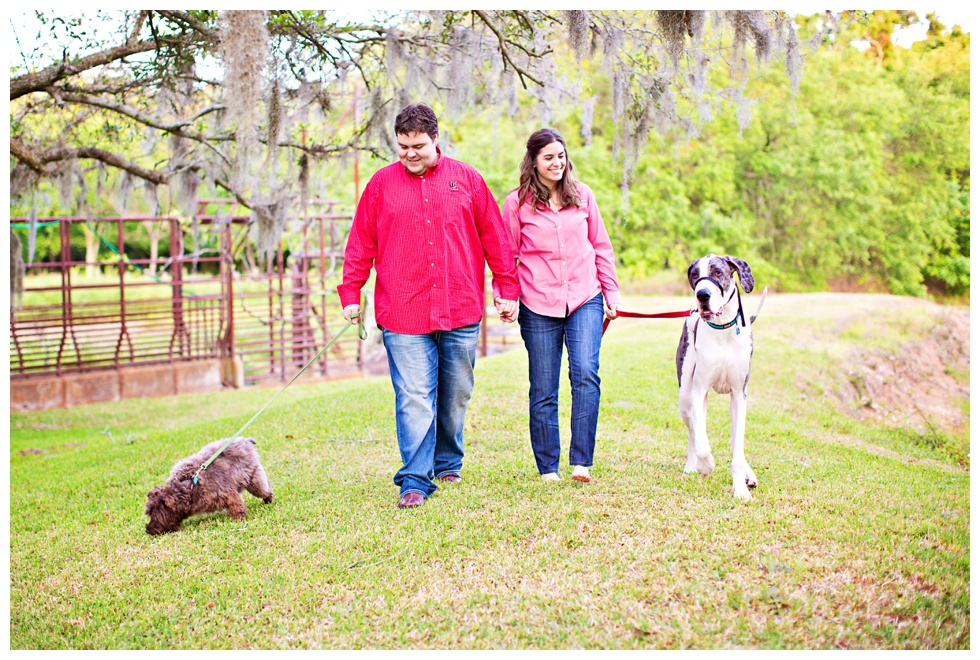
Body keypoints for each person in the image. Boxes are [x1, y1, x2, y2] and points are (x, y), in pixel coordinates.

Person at [338, 103, 520, 509]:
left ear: (436, 139)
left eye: (418, 145)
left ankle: (447, 459)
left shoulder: (468, 180)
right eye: (402, 146)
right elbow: (359, 245)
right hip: (403, 311)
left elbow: (495, 238)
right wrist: (351, 294)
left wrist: (506, 287)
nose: (410, 154)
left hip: (460, 306)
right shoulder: (381, 186)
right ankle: (415, 480)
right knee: (414, 397)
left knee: (455, 395)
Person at [501, 128, 621, 483]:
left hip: (586, 297)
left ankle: (581, 462)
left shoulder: (583, 196)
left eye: (560, 155)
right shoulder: (516, 203)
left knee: (585, 374)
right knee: (543, 386)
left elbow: (601, 247)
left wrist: (611, 296)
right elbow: (506, 257)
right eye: (548, 157)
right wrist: (504, 294)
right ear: (533, 161)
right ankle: (548, 468)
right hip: (538, 303)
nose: (556, 162)